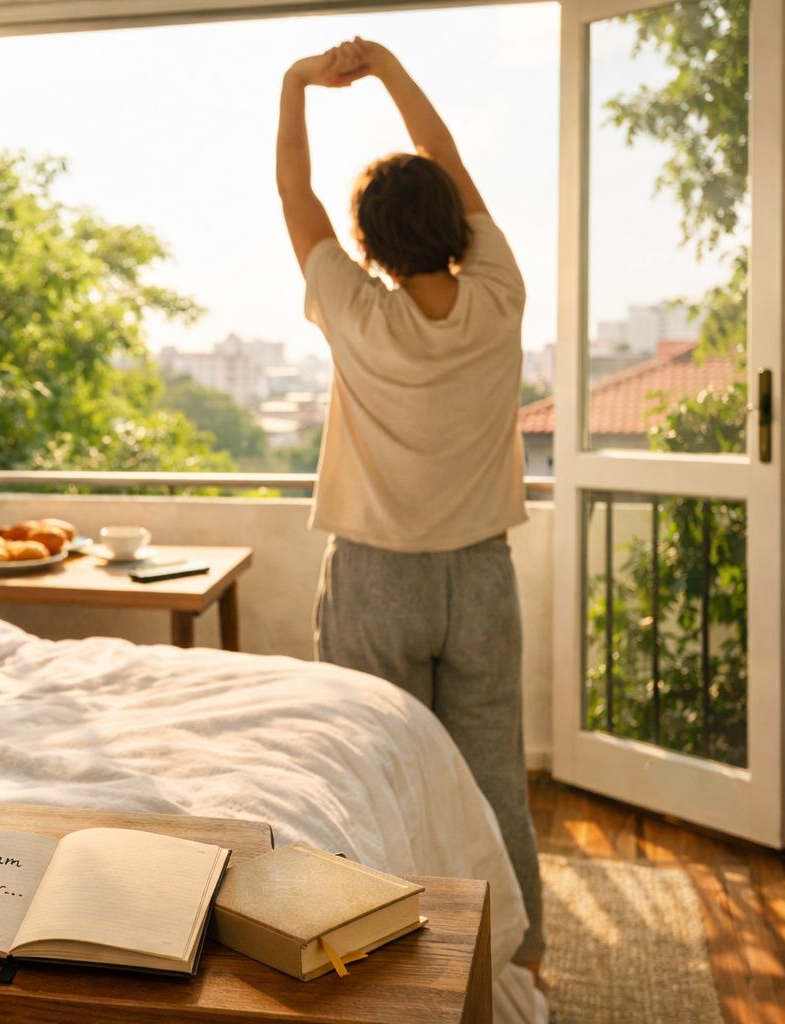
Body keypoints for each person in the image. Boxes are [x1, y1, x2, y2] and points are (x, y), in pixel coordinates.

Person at [276, 37, 544, 976]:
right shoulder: (501, 296)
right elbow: (451, 165)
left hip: (376, 576)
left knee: (366, 772)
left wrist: (294, 88)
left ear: (368, 245)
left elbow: (295, 198)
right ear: (459, 228)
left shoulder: (354, 311)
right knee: (492, 779)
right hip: (480, 574)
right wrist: (388, 70)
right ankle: (517, 960)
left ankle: (384, 964)